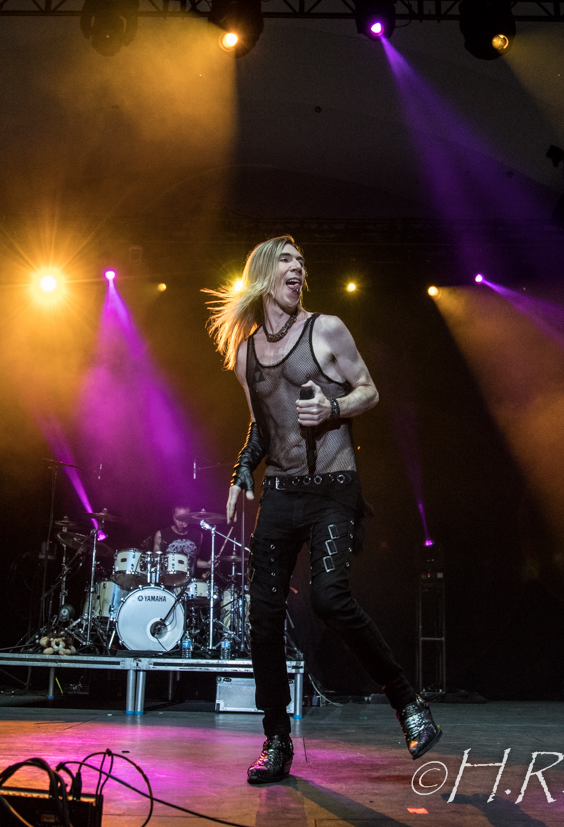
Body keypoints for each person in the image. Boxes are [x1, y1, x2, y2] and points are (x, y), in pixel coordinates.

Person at [206, 236, 441, 785]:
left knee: (329, 597)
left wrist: (333, 407)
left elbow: (369, 391)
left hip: (334, 488)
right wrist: (242, 470)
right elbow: (261, 427)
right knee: (263, 617)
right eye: (287, 260)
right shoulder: (245, 355)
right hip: (281, 493)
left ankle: (407, 701)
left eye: (302, 262)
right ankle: (276, 740)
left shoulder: (326, 328)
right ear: (264, 274)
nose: (299, 268)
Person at [151, 505, 212, 581]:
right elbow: (154, 562)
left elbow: (192, 561)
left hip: (188, 583)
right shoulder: (161, 535)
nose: (180, 523)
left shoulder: (198, 536)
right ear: (173, 516)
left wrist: (207, 564)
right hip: (166, 582)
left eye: (184, 518)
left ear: (189, 518)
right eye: (177, 518)